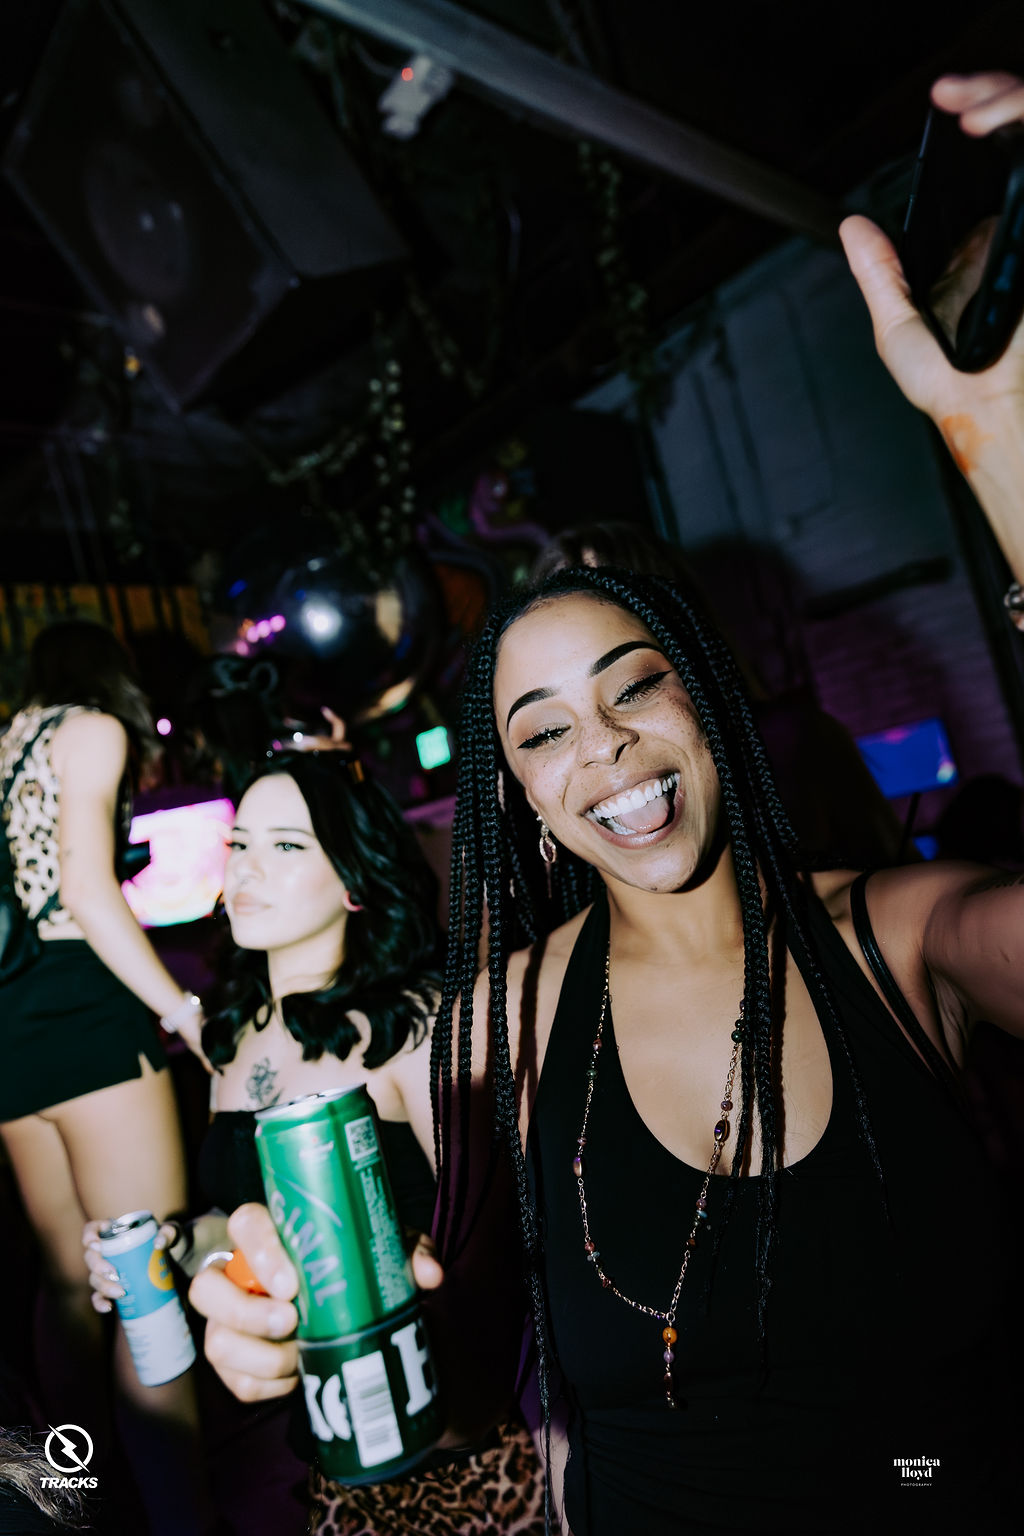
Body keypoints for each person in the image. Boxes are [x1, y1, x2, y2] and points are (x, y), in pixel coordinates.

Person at [189, 70, 1024, 1535]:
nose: (610, 751)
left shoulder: (905, 936)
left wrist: (1000, 443)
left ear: (708, 702)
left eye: (636, 688)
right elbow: (441, 1361)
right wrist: (254, 1289)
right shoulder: (496, 1029)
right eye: (544, 732)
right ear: (520, 796)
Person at [83, 748, 545, 1535]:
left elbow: (504, 1249)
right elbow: (242, 1224)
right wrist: (176, 1244)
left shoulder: (414, 1027)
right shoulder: (231, 1039)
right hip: (329, 1445)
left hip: (464, 1445)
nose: (247, 867)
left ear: (355, 883)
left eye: (287, 844)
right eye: (239, 843)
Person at [0, 619, 211, 1534]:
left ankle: (67, 1502)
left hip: (10, 1024)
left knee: (64, 1288)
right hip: (82, 1015)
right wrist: (182, 1009)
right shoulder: (91, 729)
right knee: (143, 1276)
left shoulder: (10, 739)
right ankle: (181, 1518)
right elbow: (86, 892)